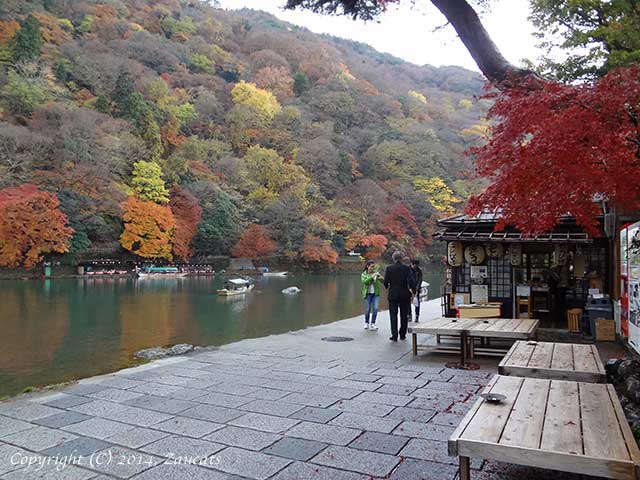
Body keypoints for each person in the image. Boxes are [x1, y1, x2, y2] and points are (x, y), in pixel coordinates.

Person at [384, 251, 416, 341]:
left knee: (393, 315)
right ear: (402, 259)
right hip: (404, 294)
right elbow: (411, 281)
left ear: (393, 258)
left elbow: (386, 281)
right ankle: (402, 334)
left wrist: (387, 286)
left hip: (393, 294)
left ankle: (394, 335)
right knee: (404, 314)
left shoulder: (389, 268)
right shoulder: (406, 269)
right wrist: (414, 291)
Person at [361, 260, 383, 331]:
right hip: (367, 294)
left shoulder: (376, 273)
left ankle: (373, 323)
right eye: (371, 266)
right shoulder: (364, 274)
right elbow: (365, 282)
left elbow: (383, 281)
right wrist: (372, 277)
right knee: (367, 309)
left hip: (375, 294)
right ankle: (366, 322)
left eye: (374, 267)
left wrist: (380, 278)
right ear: (367, 266)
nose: (373, 268)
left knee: (376, 308)